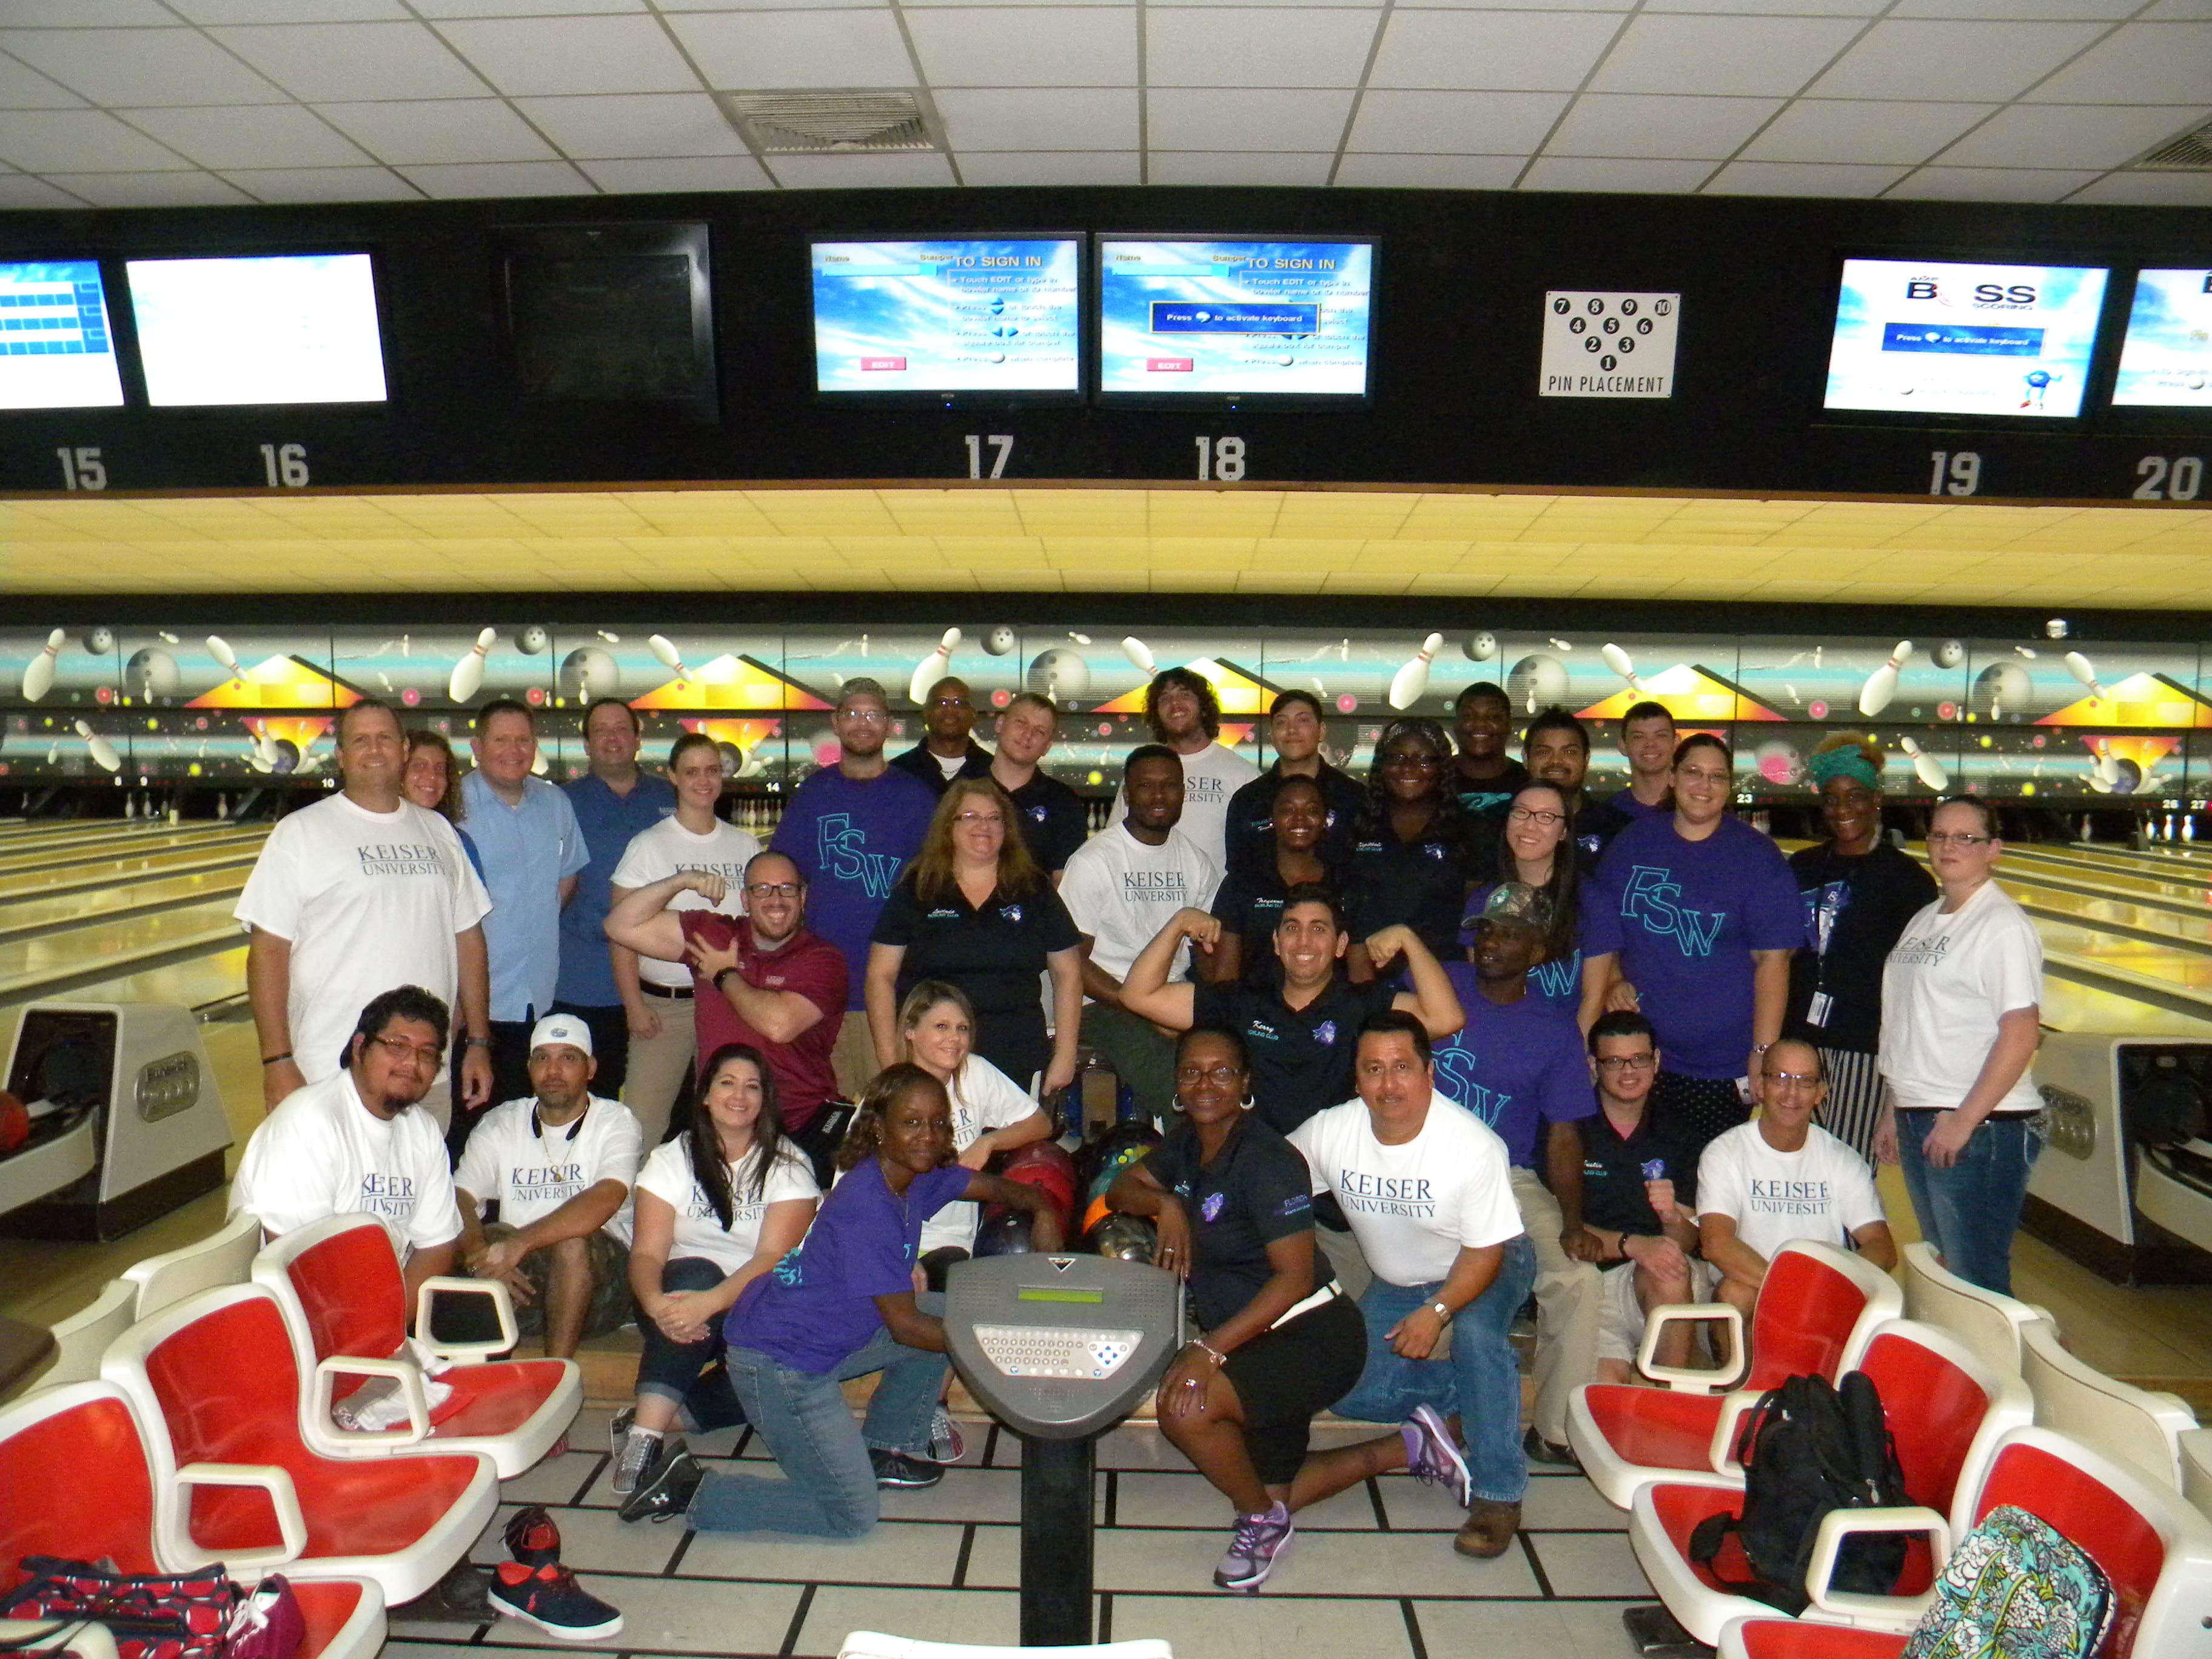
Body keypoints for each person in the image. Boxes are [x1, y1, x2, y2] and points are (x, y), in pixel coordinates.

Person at [620, 1064, 1064, 1533]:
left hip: (818, 1340)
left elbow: (988, 1186)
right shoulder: (867, 1205)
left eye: (938, 1123)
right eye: (912, 1122)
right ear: (879, 1127)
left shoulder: (913, 1176)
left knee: (944, 1311)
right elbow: (906, 1327)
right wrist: (1007, 1345)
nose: (928, 1136)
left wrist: (1042, 1206)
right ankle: (690, 1489)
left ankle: (882, 1449)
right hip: (780, 1366)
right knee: (850, 1514)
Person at [1106, 1028, 1424, 1594]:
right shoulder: (1188, 1141)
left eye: (1222, 1071)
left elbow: (1295, 1277)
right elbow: (1119, 1191)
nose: (1206, 1084)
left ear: (1245, 1082)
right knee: (1274, 1486)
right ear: (1178, 1085)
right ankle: (1410, 1446)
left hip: (1312, 1336)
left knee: (1184, 1407)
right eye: (1192, 1072)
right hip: (1255, 1338)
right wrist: (1166, 1202)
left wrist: (1207, 1350)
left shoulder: (1267, 1159)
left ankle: (1260, 1525)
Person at [1287, 1013, 1534, 1560]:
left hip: (1488, 1260)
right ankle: (1471, 1404)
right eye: (1373, 1069)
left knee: (1475, 1335)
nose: (1388, 1084)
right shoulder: (1332, 1130)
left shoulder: (1472, 1146)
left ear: (1429, 1073)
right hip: (1399, 1280)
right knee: (1348, 1392)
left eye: (1402, 1068)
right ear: (1356, 1079)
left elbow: (1486, 1250)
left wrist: (1439, 1310)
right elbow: (1270, 1177)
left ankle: (1498, 1494)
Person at [237, 697, 492, 1114]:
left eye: (385, 739)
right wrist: (277, 1061)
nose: (375, 750)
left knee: (420, 1180)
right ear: (341, 756)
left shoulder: (438, 831)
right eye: (361, 741)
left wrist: (479, 1042)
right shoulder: (299, 833)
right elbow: (267, 952)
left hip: (426, 1074)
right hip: (327, 1071)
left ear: (404, 749)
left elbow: (469, 939)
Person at [1427, 883, 1603, 1470]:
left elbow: (1564, 1136)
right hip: (1423, 1168)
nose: (1493, 942)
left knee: (1578, 1279)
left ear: (1538, 952)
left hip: (1509, 1177)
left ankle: (1555, 1431)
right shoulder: (1438, 983)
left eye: (1509, 932)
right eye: (1486, 930)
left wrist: (1574, 1223)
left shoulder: (1554, 1029)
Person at [609, 1042, 821, 1499]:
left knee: (791, 1366)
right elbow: (647, 1254)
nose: (739, 1095)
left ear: (766, 1099)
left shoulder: (790, 1166)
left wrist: (710, 1302)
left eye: (753, 1086)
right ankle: (646, 1441)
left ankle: (658, 1416)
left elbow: (770, 1261)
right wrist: (656, 1304)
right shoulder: (672, 1159)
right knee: (696, 1274)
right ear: (705, 1094)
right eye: (727, 1083)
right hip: (674, 1301)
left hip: (749, 1304)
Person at [1597, 734, 1804, 1162]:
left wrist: (1762, 1053)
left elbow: (1774, 963)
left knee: (1699, 1182)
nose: (1704, 785)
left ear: (1729, 788)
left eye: (1717, 777)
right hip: (1639, 1057)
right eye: (1693, 772)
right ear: (1672, 777)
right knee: (1639, 1178)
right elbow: (1603, 931)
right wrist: (1616, 977)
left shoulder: (1757, 858)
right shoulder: (1633, 844)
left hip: (1718, 1063)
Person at [1119, 890, 1463, 1136]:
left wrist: (1409, 939)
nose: (1303, 941)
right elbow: (1138, 995)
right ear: (1276, 942)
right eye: (1292, 928)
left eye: (1318, 929)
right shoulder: (1243, 1001)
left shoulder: (1362, 1005)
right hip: (1258, 1171)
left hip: (1336, 1177)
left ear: (1341, 945)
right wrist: (1178, 924)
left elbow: (1446, 1018)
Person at [1879, 797, 2045, 1295]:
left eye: (1965, 837)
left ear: (1994, 849)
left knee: (1976, 1280)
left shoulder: (2001, 926)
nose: (1949, 846)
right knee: (1951, 1273)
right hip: (1924, 1114)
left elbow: (2021, 1032)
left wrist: (1964, 1120)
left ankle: (2010, 1371)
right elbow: (1909, 1021)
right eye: (1939, 835)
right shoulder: (1927, 917)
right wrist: (1894, 1106)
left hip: (1978, 1126)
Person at [605, 852, 850, 1181]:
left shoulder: (823, 958)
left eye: (787, 889)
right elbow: (619, 925)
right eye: (762, 889)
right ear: (745, 900)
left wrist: (724, 975)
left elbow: (779, 1025)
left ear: (803, 898)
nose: (776, 900)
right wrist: (682, 881)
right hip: (725, 1122)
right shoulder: (717, 935)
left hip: (799, 1121)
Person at [230, 986, 463, 1316]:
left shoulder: (422, 1130)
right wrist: (365, 1331)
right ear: (360, 1047)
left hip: (376, 1314)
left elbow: (437, 1247)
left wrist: (387, 1324)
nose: (412, 1063)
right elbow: (298, 1263)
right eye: (397, 1046)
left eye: (427, 1053)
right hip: (294, 1318)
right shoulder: (310, 1122)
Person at [771, 679, 939, 1098]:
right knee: (832, 1120)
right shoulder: (813, 795)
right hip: (821, 993)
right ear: (836, 723)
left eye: (873, 715)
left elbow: (936, 885)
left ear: (889, 725)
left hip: (896, 993)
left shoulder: (917, 798)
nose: (862, 724)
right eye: (852, 714)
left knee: (889, 1117)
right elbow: (781, 882)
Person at [866, 778, 1083, 1096]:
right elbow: (879, 976)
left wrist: (1065, 1054)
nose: (984, 826)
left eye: (994, 818)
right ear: (948, 827)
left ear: (1007, 829)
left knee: (1005, 1145)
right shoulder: (919, 887)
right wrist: (892, 1062)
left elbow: (1069, 973)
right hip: (933, 1055)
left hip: (1015, 1051)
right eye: (971, 816)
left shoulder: (1034, 889)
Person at [452, 1013, 644, 1361]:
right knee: (479, 1236)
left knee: (572, 1242)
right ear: (529, 1067)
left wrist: (519, 1243)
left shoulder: (615, 1120)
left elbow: (607, 1197)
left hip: (601, 1285)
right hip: (524, 1276)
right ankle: (480, 1384)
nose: (553, 1072)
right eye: (543, 1059)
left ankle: (557, 1374)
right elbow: (460, 1198)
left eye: (568, 1058)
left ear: (591, 1068)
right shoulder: (501, 1121)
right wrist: (481, 1252)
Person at [1786, 735, 1938, 1168]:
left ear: (1876, 799)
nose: (1843, 809)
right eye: (1831, 799)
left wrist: (1896, 1095)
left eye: (1855, 796)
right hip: (1798, 1043)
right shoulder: (1802, 867)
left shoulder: (1909, 882)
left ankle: (1839, 1244)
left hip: (1865, 1053)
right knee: (1794, 1173)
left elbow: (1916, 993)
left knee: (1845, 1178)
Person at [607, 733, 761, 1146]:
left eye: (712, 770)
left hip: (729, 1001)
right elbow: (620, 935)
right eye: (692, 772)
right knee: (643, 1126)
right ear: (672, 777)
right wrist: (634, 1006)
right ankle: (633, 1209)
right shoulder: (649, 846)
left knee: (728, 1121)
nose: (704, 781)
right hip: (664, 1006)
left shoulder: (745, 845)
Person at [1061, 746, 1222, 1122]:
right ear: (1127, 794)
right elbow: (1071, 964)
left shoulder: (1196, 862)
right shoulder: (1093, 861)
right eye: (1146, 786)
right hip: (1104, 1003)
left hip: (1171, 996)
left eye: (1169, 785)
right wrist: (1145, 1009)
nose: (1159, 795)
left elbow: (1207, 958)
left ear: (1183, 792)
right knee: (1185, 1090)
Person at [461, 699, 590, 1134]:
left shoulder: (555, 803)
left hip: (539, 1000)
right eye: (501, 740)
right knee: (470, 1134)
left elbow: (568, 876)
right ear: (477, 746)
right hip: (474, 1007)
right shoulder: (452, 804)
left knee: (525, 1134)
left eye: (523, 740)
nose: (514, 750)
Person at [1699, 1039, 1896, 1321]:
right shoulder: (1725, 1152)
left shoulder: (1842, 1158)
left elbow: (1883, 1247)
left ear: (1820, 1094)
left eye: (1805, 1082)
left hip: (1821, 1297)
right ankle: (1753, 1368)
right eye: (1781, 1078)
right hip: (1754, 1289)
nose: (1792, 1093)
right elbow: (1716, 1244)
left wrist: (1832, 1287)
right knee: (1735, 1293)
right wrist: (1790, 1290)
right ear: (1761, 1085)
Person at [555, 697, 677, 1098]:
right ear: (587, 745)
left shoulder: (672, 799)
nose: (612, 738)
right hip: (583, 979)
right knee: (588, 1098)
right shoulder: (562, 803)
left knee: (659, 1104)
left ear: (638, 740)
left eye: (622, 729)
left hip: (660, 978)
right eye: (601, 731)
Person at [1575, 1011, 1706, 1384]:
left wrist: (1672, 1221)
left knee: (1669, 1265)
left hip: (1660, 1279)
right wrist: (1632, 1245)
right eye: (1614, 1061)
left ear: (1657, 1061)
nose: (1629, 1071)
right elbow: (1559, 1230)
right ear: (1594, 1066)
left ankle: (1670, 1396)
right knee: (1605, 1393)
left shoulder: (1679, 1132)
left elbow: (1689, 1241)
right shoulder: (1570, 1129)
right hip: (1590, 1283)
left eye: (1640, 1059)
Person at [899, 982, 1053, 1288]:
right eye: (941, 1027)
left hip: (953, 1240)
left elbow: (1040, 1124)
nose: (954, 1038)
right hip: (896, 1239)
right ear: (911, 1032)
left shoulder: (974, 1072)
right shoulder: (890, 1095)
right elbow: (853, 1191)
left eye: (962, 1028)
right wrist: (894, 1255)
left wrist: (989, 1141)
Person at [1463, 780, 1620, 1030]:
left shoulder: (1592, 900)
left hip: (1568, 1042)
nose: (1530, 824)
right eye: (1521, 812)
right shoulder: (1484, 900)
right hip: (1505, 1037)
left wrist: (1572, 1061)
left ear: (1564, 832)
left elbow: (1592, 1000)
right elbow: (1482, 991)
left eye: (1546, 816)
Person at [1347, 717, 1480, 968]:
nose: (1409, 768)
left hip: (1444, 977)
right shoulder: (1359, 824)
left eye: (1424, 759)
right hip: (1367, 978)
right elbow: (1350, 912)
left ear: (1442, 767)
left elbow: (1475, 918)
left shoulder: (1469, 829)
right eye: (1397, 758)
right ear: (1381, 766)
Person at [1108, 667, 1261, 868]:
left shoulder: (1243, 774)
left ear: (1204, 707)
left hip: (1215, 899)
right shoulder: (1142, 771)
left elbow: (1259, 850)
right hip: (1147, 896)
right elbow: (1113, 841)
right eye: (1164, 699)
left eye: (1185, 695)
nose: (1175, 703)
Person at [1208, 774, 1341, 987]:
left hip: (1330, 1014)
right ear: (1272, 818)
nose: (1300, 819)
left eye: (1312, 810)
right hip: (1255, 1012)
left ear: (1326, 819)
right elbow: (1226, 974)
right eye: (1288, 810)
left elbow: (1358, 974)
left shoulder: (1344, 881)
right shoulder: (1242, 883)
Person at [1222, 690, 1364, 877]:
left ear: (1321, 731)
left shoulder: (1354, 797)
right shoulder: (1248, 800)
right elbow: (1238, 874)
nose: (1291, 730)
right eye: (1282, 722)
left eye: (1302, 720)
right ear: (1271, 735)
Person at [987, 692, 1088, 877]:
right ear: (1000, 724)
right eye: (1021, 723)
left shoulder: (1065, 803)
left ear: (1048, 747)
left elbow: (1064, 884)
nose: (1028, 735)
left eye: (1040, 731)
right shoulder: (961, 790)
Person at [1523, 706, 1633, 863]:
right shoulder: (1502, 823)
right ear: (1526, 759)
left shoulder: (1618, 829)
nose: (1556, 761)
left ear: (1586, 760)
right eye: (1544, 752)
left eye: (1569, 752)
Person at [1449, 682, 1529, 873]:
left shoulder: (1528, 784)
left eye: (1492, 717)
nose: (1480, 725)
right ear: (1456, 724)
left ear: (1509, 724)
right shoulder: (1433, 779)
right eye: (1469, 716)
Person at [889, 676, 994, 797]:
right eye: (941, 702)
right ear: (925, 714)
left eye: (959, 703)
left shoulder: (993, 771)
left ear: (974, 715)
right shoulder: (899, 770)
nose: (950, 710)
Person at [402, 728, 484, 879]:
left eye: (440, 769)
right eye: (420, 766)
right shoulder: (377, 834)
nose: (432, 776)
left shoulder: (458, 842)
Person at [1606, 701, 1677, 823]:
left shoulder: (1694, 808)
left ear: (1676, 743)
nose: (1650, 744)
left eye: (1661, 736)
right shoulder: (1606, 815)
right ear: (1623, 746)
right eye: (1639, 737)